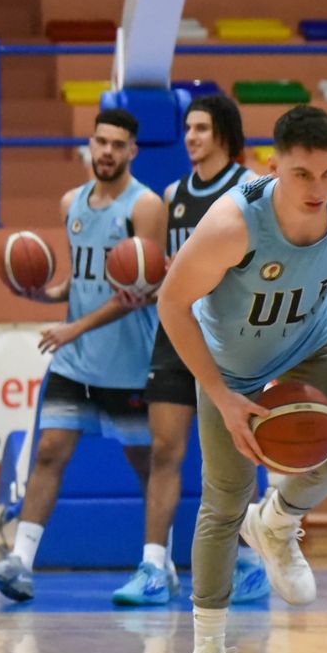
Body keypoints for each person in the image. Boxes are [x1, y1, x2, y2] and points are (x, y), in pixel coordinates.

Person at [157, 105, 327, 653]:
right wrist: (222, 396)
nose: (318, 189)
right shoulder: (233, 224)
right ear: (272, 166)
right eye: (302, 175)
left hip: (313, 341)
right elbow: (171, 304)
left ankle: (279, 523)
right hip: (231, 364)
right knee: (224, 499)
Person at [0, 108, 166, 602]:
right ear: (90, 144)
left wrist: (74, 326)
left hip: (128, 363)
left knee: (146, 465)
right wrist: (44, 294)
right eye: (101, 142)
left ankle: (156, 566)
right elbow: (81, 283)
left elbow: (142, 291)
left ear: (132, 151)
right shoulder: (70, 203)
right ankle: (20, 563)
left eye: (118, 145)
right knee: (49, 452)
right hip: (75, 361)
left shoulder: (145, 208)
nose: (107, 152)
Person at [112, 94, 270, 606]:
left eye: (200, 128)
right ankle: (155, 565)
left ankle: (246, 559)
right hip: (177, 332)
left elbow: (265, 261)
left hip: (231, 337)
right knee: (164, 450)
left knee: (232, 453)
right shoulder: (174, 192)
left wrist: (208, 264)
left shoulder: (251, 189)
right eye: (187, 128)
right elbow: (158, 267)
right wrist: (144, 277)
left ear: (223, 132)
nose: (190, 137)